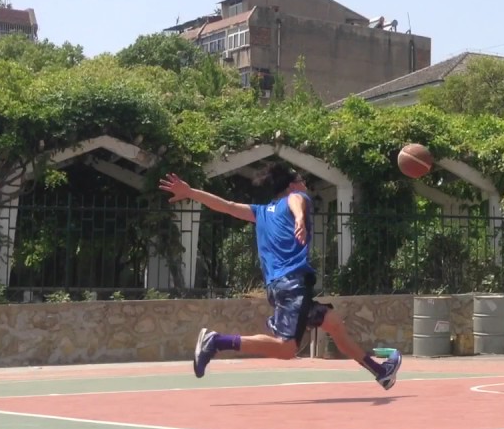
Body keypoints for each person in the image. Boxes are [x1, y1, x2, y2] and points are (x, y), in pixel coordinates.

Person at [158, 164, 401, 390]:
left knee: (333, 323)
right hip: (292, 282)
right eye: (302, 181)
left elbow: (227, 206)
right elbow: (297, 200)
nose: (305, 186)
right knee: (286, 349)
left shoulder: (261, 212)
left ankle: (381, 372)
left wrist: (190, 192)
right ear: (292, 185)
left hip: (279, 287)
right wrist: (298, 219)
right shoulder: (296, 198)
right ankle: (217, 341)